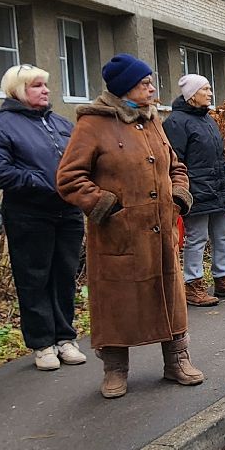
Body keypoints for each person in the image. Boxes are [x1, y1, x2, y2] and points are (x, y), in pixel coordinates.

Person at [57, 54, 200, 399]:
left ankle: (177, 361)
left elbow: (174, 165)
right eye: (144, 82)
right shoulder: (93, 124)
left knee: (169, 294)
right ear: (124, 88)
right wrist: (108, 206)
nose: (152, 87)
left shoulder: (152, 120)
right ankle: (115, 370)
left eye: (151, 81)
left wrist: (178, 197)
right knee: (117, 302)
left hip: (160, 230)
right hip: (118, 235)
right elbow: (69, 178)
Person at [0, 64, 87, 372]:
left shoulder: (61, 123)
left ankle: (65, 338)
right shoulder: (2, 125)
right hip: (29, 213)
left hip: (67, 211)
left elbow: (81, 159)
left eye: (45, 85)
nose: (45, 90)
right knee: (34, 278)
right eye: (37, 85)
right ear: (18, 90)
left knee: (65, 275)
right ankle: (42, 343)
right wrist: (41, 183)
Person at [164, 73, 225, 307]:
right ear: (192, 95)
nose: (210, 93)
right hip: (197, 193)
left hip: (219, 190)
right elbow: (174, 161)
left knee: (222, 236)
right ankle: (193, 286)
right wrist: (181, 191)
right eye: (205, 89)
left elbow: (219, 158)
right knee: (197, 239)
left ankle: (223, 281)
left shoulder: (208, 120)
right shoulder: (175, 122)